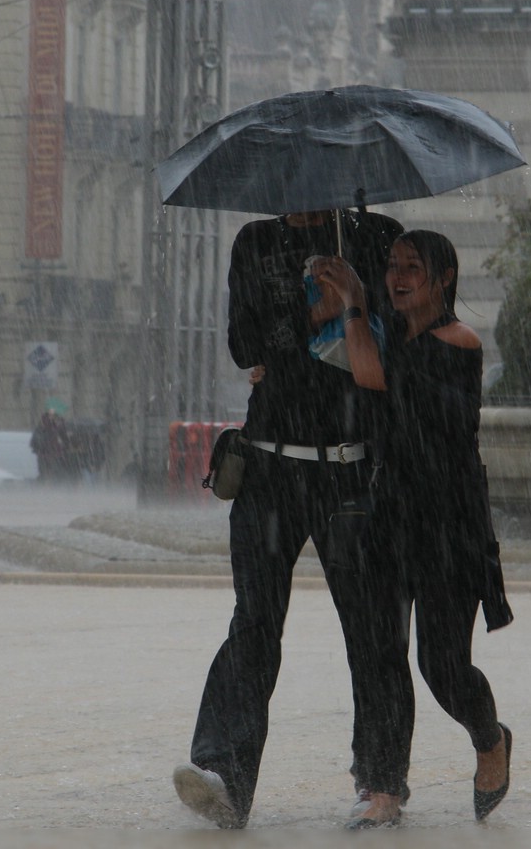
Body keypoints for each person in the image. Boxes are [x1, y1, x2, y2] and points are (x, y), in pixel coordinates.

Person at [172, 207, 403, 829]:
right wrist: (312, 318)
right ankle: (225, 776)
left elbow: (398, 343)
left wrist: (354, 302)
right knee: (253, 623)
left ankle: (380, 783)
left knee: (372, 630)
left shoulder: (376, 236)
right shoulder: (256, 242)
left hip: (351, 467)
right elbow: (244, 345)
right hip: (269, 465)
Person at [314, 229, 514, 828]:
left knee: (443, 665)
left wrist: (353, 302)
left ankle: (489, 738)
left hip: (449, 522)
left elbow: (375, 376)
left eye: (413, 268)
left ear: (444, 277)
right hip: (390, 515)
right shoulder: (384, 334)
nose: (398, 277)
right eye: (393, 267)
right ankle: (382, 787)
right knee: (379, 654)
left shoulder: (460, 342)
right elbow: (352, 374)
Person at [30, 407, 70, 481]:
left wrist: (62, 444)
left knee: (54, 476)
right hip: (46, 456)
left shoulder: (60, 427)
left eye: (54, 416)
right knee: (47, 476)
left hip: (55, 456)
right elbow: (34, 443)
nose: (53, 418)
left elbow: (66, 441)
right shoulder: (42, 428)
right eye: (51, 415)